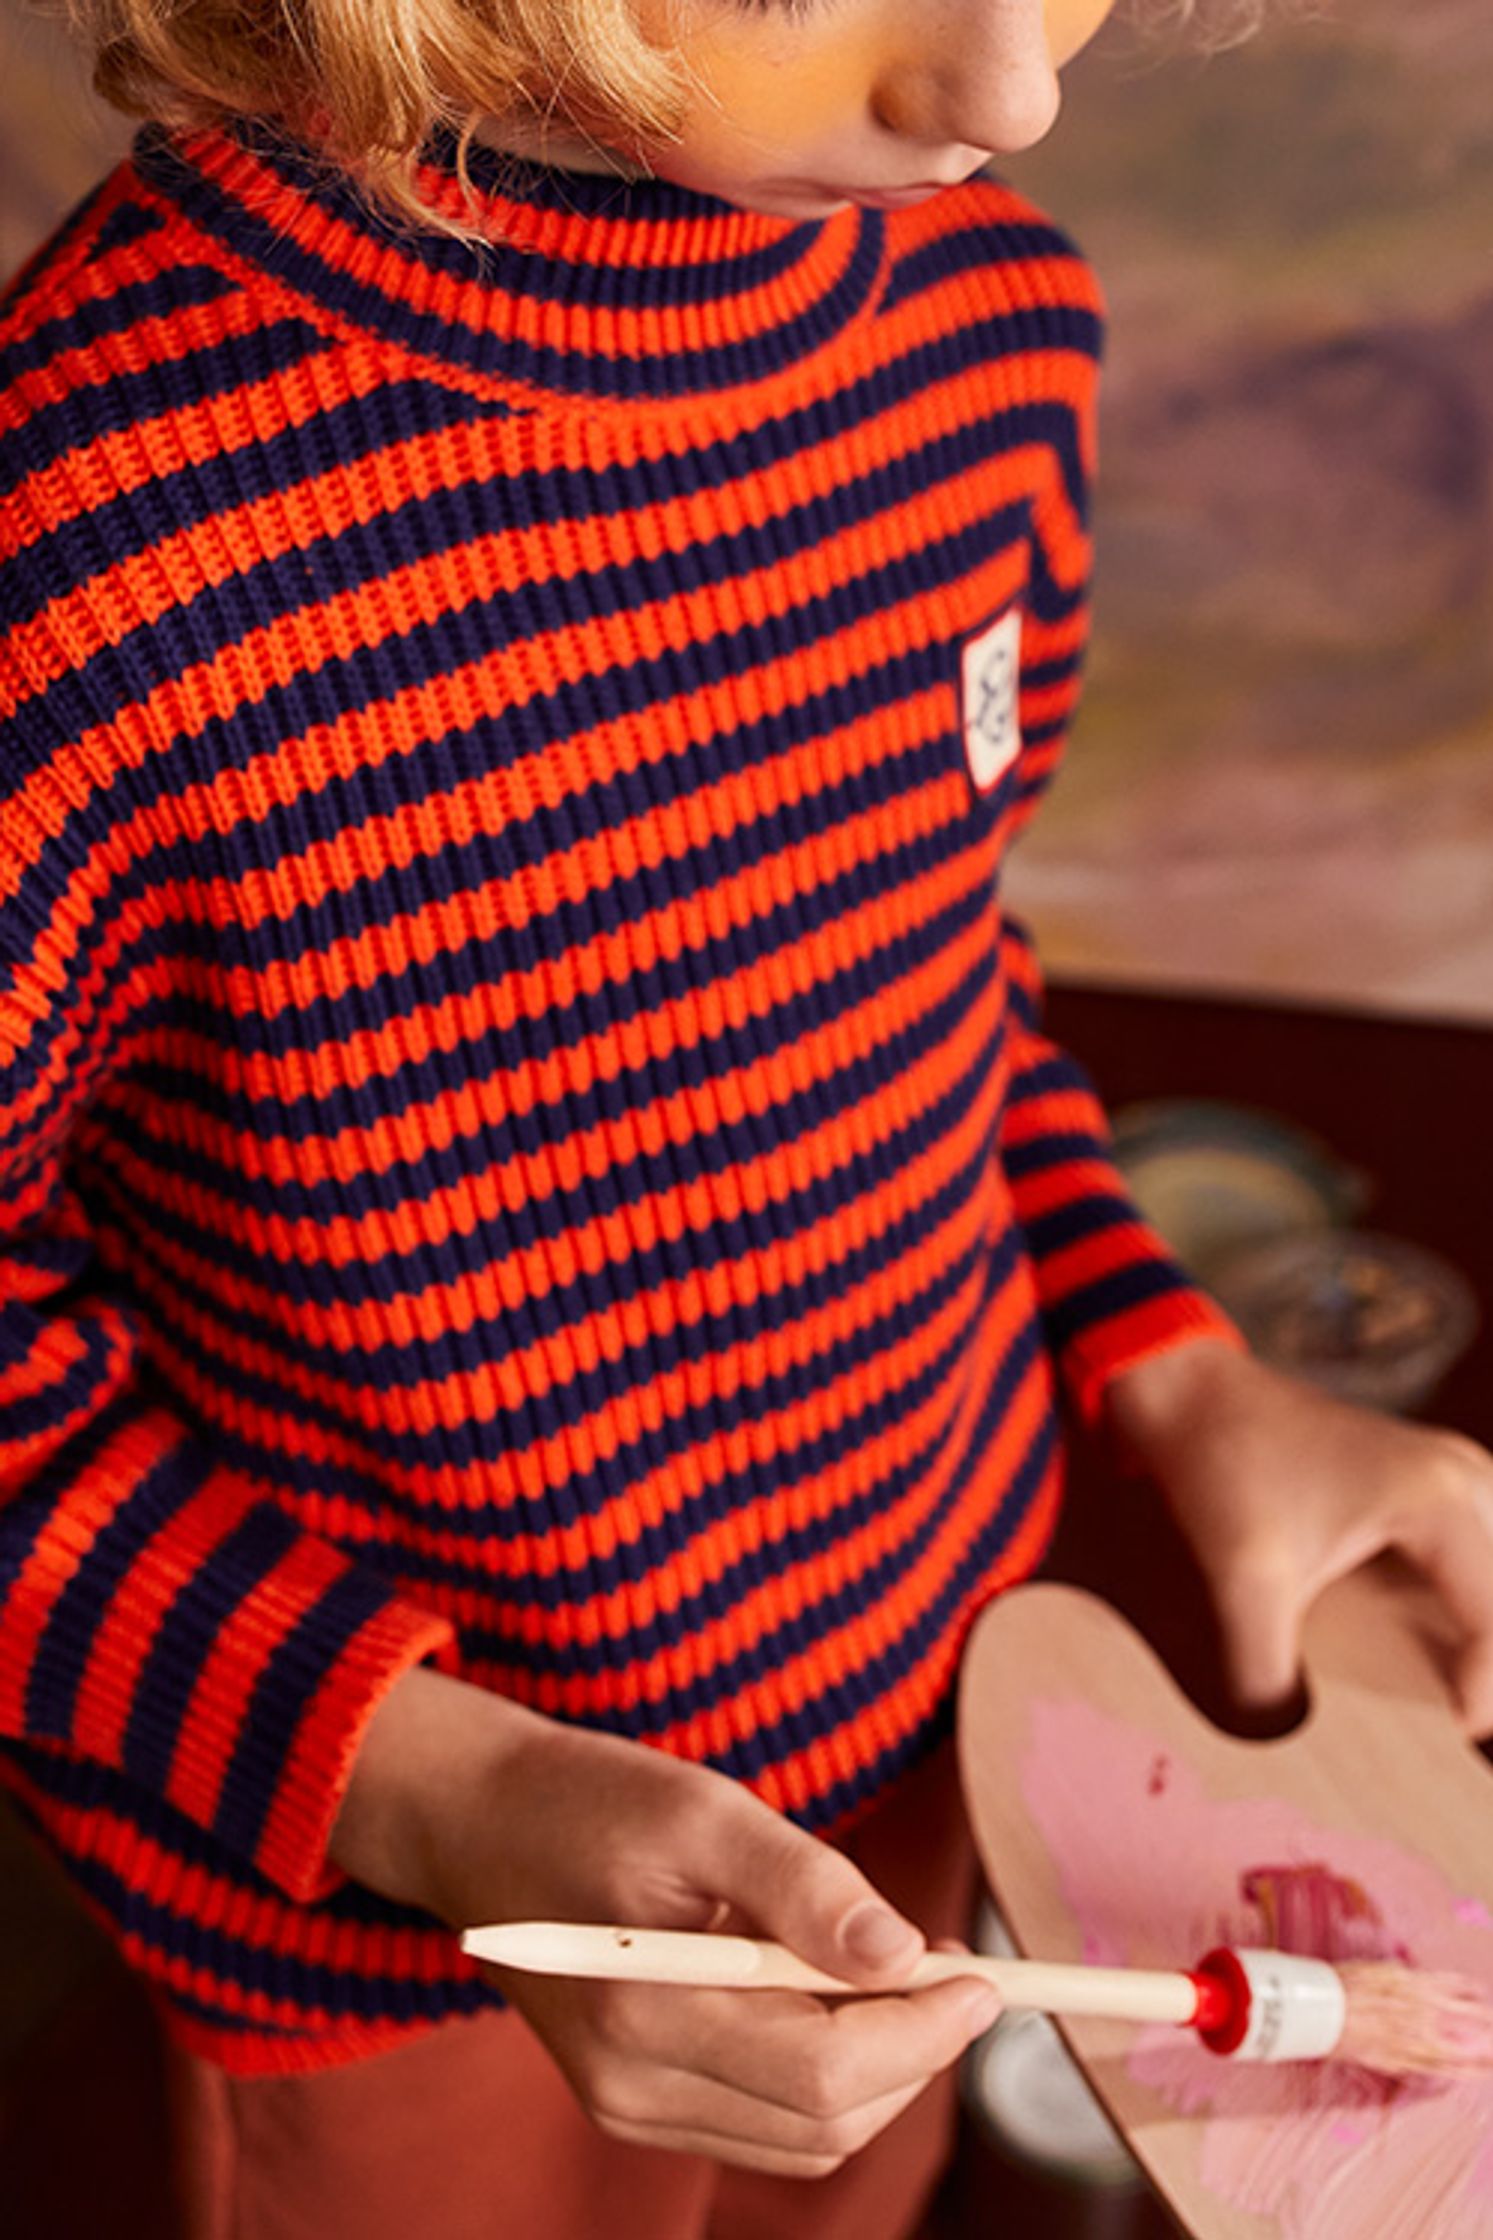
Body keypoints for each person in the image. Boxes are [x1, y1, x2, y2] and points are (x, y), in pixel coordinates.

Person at [3, 1, 1492, 2234]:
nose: (1008, 92)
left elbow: (923, 975)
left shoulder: (1000, 338)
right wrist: (431, 1784)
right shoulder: (84, 545)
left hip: (930, 1748)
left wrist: (1169, 1360)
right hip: (401, 1934)